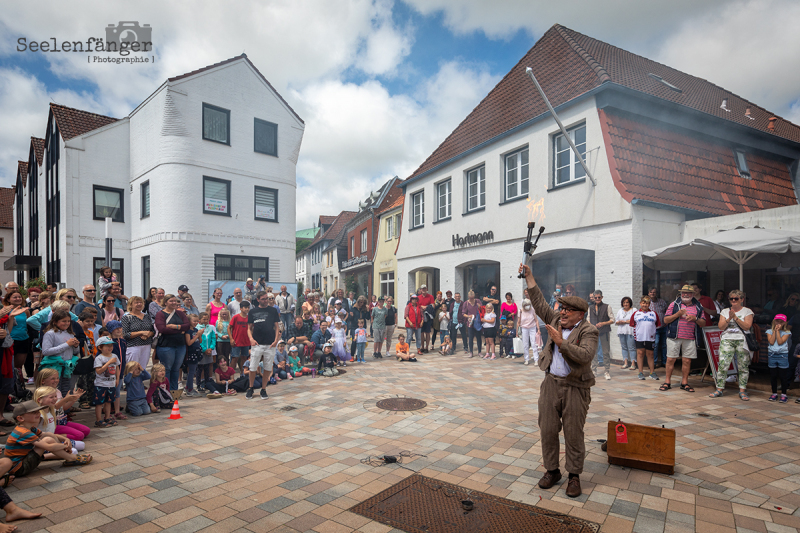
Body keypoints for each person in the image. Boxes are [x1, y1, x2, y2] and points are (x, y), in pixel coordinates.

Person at [519, 263, 598, 498]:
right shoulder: (554, 319)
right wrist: (530, 276)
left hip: (576, 387)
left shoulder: (589, 330)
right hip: (551, 384)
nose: (562, 313)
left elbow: (585, 355)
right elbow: (539, 301)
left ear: (580, 314)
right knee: (548, 430)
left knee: (574, 432)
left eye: (568, 311)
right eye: (561, 309)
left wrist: (562, 343)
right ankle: (552, 471)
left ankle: (574, 476)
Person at [0, 400, 91, 484]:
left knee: (48, 437)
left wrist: (65, 440)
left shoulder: (29, 428)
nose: (38, 414)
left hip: (22, 462)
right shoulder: (23, 432)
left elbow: (47, 434)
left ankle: (69, 457)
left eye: (38, 412)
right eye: (33, 412)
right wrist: (65, 446)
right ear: (20, 418)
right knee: (48, 441)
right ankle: (71, 458)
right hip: (19, 469)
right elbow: (49, 447)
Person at [661, 285, 706, 394]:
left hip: (690, 337)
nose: (685, 295)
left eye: (688, 293)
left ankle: (684, 382)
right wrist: (678, 314)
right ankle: (667, 381)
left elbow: (703, 323)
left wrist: (695, 319)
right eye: (683, 293)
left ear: (693, 294)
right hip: (674, 337)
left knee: (687, 360)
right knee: (671, 359)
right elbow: (666, 320)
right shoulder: (674, 304)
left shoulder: (698, 306)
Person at [710, 289, 754, 400]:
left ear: (742, 299)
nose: (734, 300)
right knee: (723, 364)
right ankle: (719, 388)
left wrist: (735, 318)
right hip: (727, 339)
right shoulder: (725, 311)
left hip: (741, 340)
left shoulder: (747, 311)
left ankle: (743, 390)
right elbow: (721, 327)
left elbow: (747, 326)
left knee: (743, 366)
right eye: (731, 299)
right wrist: (729, 318)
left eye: (736, 298)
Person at [246, 291, 280, 400]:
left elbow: (277, 327)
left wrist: (276, 341)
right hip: (257, 343)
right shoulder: (252, 311)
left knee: (267, 367)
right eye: (264, 299)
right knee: (252, 367)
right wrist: (251, 339)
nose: (266, 301)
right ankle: (250, 388)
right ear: (258, 300)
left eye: (267, 298)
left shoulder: (273, 310)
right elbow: (249, 328)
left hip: (270, 344)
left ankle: (264, 389)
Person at [39, 310, 80, 397]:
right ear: (55, 321)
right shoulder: (50, 334)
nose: (67, 323)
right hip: (54, 367)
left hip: (67, 367)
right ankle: (55, 409)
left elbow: (75, 352)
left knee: (66, 388)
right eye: (64, 321)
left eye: (68, 321)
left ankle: (65, 409)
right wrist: (66, 344)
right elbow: (46, 351)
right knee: (55, 389)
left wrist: (76, 346)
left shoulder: (70, 334)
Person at [154, 295, 190, 389]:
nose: (174, 303)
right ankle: (166, 390)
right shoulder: (160, 314)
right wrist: (180, 330)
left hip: (180, 345)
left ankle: (174, 392)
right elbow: (162, 329)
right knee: (167, 369)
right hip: (166, 346)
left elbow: (187, 326)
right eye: (171, 301)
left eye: (175, 301)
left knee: (176, 369)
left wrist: (175, 326)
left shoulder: (180, 313)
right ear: (165, 302)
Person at [630, 297, 660, 380]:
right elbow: (632, 324)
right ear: (640, 303)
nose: (645, 305)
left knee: (650, 355)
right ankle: (640, 372)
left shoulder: (654, 313)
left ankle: (652, 372)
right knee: (640, 354)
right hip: (639, 337)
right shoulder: (636, 313)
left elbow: (657, 324)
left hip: (650, 337)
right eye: (643, 303)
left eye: (647, 303)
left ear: (649, 304)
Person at [121, 296, 154, 371]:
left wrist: (148, 334)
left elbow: (153, 331)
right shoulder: (127, 317)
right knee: (132, 368)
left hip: (146, 345)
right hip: (133, 346)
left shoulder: (146, 316)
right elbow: (125, 334)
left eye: (140, 302)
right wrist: (141, 333)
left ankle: (140, 382)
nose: (139, 304)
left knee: (143, 369)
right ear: (131, 304)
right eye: (136, 302)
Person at [93, 336, 119, 428]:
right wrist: (108, 362)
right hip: (101, 384)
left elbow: (117, 368)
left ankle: (107, 417)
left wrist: (117, 379)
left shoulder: (114, 356)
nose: (110, 348)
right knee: (99, 403)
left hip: (111, 384)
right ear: (100, 347)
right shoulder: (99, 358)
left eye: (111, 345)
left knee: (109, 402)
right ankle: (98, 420)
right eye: (107, 346)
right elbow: (99, 371)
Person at [589, 290, 613, 380]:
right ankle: (594, 370)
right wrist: (591, 326)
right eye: (596, 297)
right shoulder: (590, 307)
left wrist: (603, 323)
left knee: (606, 352)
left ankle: (607, 371)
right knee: (593, 352)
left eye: (599, 297)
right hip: (594, 332)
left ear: (602, 297)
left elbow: (612, 319)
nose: (597, 299)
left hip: (604, 331)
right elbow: (588, 319)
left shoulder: (607, 306)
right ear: (593, 298)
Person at [766, 314, 791, 403]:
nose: (779, 323)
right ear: (774, 321)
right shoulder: (769, 331)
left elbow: (780, 342)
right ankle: (774, 393)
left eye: (781, 322)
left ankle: (784, 394)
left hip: (782, 355)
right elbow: (771, 341)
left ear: (784, 323)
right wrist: (774, 331)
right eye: (777, 321)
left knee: (783, 376)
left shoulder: (787, 332)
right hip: (772, 355)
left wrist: (777, 332)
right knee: (773, 375)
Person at [228, 300, 251, 374]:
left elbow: (251, 329)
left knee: (244, 358)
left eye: (248, 307)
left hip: (246, 341)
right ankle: (230, 374)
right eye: (245, 307)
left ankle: (243, 374)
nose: (247, 309)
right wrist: (231, 339)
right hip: (236, 341)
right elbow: (229, 328)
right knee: (234, 358)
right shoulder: (235, 317)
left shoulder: (250, 318)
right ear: (240, 308)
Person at [648, 288, 668, 368]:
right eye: (651, 292)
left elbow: (667, 311)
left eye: (654, 292)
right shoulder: (647, 303)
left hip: (664, 326)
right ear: (648, 293)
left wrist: (667, 321)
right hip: (654, 328)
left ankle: (664, 362)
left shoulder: (662, 301)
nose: (652, 293)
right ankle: (654, 362)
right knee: (655, 345)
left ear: (656, 293)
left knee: (664, 345)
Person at [183, 314, 203, 397]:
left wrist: (200, 335)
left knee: (193, 371)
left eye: (197, 321)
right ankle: (190, 389)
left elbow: (200, 341)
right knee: (191, 372)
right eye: (194, 321)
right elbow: (189, 342)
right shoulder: (188, 331)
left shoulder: (196, 329)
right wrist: (197, 335)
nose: (196, 323)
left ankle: (188, 387)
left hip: (197, 351)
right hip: (191, 353)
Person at [518, 298, 541, 366]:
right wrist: (517, 331)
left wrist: (538, 329)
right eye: (526, 305)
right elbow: (518, 322)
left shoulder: (532, 310)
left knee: (534, 343)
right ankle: (526, 359)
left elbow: (536, 320)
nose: (528, 306)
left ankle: (536, 359)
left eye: (529, 305)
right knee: (525, 344)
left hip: (532, 327)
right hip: (524, 328)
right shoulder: (521, 311)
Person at [615, 297, 636, 371]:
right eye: (624, 302)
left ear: (630, 303)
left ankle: (633, 363)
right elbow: (616, 321)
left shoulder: (634, 310)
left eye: (627, 302)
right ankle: (625, 363)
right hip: (621, 331)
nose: (625, 304)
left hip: (630, 331)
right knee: (624, 347)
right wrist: (620, 322)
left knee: (631, 347)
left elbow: (635, 320)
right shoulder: (620, 311)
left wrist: (626, 322)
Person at [461, 291, 483, 358]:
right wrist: (468, 316)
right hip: (470, 323)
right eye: (470, 298)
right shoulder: (466, 303)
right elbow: (463, 313)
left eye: (472, 298)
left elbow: (482, 310)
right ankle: (471, 352)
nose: (471, 299)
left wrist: (480, 307)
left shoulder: (478, 301)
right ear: (468, 297)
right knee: (470, 338)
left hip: (477, 322)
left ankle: (479, 351)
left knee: (479, 337)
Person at [198, 312, 216, 391]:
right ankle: (199, 384)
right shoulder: (197, 328)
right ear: (200, 320)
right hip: (201, 351)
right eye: (204, 319)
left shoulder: (211, 327)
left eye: (207, 319)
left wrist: (211, 348)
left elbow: (213, 338)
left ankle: (207, 383)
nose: (205, 321)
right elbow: (199, 340)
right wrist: (204, 349)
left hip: (209, 351)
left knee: (207, 367)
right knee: (200, 368)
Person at [417, 285, 434, 352]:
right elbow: (416, 305)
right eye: (422, 289)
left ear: (426, 289)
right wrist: (421, 306)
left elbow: (433, 305)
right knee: (421, 333)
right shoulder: (418, 297)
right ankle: (422, 347)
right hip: (420, 317)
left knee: (427, 332)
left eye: (424, 288)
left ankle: (426, 347)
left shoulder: (430, 296)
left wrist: (426, 307)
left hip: (428, 317)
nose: (423, 290)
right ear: (420, 290)